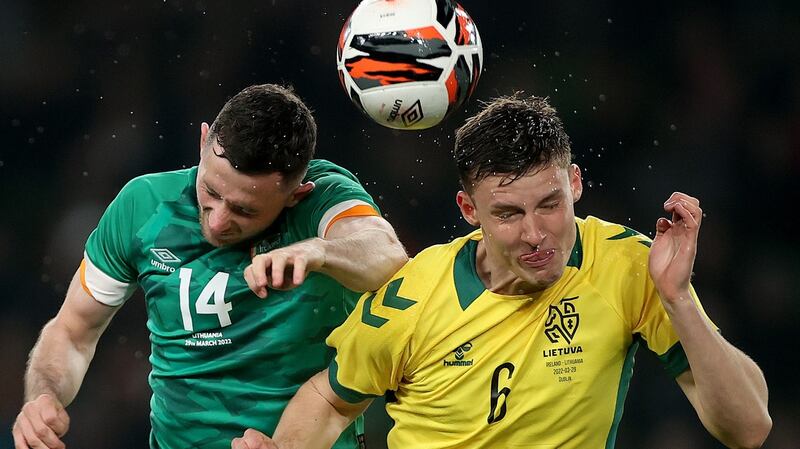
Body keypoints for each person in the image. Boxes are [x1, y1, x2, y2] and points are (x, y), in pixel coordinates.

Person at [233, 95, 772, 449]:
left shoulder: (629, 267)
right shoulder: (413, 295)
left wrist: (677, 298)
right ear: (469, 210)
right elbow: (330, 399)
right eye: (509, 214)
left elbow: (748, 428)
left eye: (550, 205)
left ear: (576, 184)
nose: (536, 234)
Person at [12, 83, 408, 449]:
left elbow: (386, 255)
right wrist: (43, 395)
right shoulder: (143, 205)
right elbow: (73, 331)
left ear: (295, 193)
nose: (218, 220)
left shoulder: (324, 197)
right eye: (211, 191)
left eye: (244, 209)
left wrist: (318, 252)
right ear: (204, 143)